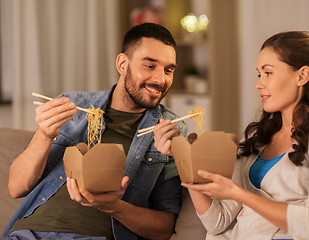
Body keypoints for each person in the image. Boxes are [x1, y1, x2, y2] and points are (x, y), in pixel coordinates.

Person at [153, 31, 309, 240]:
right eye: (259, 74)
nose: (259, 84)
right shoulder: (256, 138)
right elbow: (217, 222)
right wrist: (184, 159)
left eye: (268, 73)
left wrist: (237, 193)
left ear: (302, 75)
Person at [2, 22, 188, 240]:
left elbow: (165, 228)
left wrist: (113, 207)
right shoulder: (72, 104)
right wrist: (44, 135)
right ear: (122, 64)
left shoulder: (171, 130)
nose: (160, 79)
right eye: (149, 66)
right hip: (28, 234)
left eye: (168, 70)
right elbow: (16, 187)